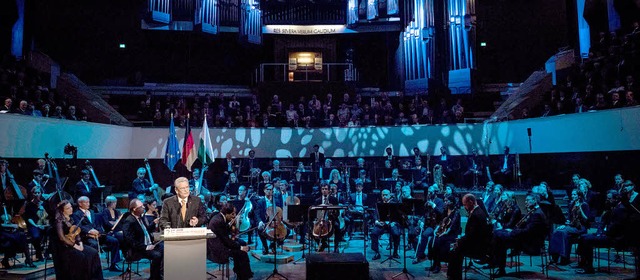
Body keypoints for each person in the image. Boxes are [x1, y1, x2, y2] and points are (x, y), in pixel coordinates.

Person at [490, 193, 547, 277]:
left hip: (529, 242)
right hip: (524, 236)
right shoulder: (534, 211)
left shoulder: (537, 214)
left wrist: (512, 232)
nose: (525, 202)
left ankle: (495, 262)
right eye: (526, 200)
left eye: (528, 200)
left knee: (499, 237)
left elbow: (528, 231)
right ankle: (496, 263)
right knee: (498, 235)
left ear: (534, 201)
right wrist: (512, 230)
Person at [576, 190, 626, 274]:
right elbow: (602, 223)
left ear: (616, 199)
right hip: (606, 234)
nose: (607, 200)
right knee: (583, 236)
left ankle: (589, 268)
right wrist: (599, 232)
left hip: (614, 237)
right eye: (607, 198)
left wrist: (603, 233)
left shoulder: (620, 209)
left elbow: (617, 227)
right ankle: (583, 263)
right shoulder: (610, 209)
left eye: (610, 199)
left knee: (587, 240)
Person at [52, 200, 103, 279]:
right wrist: (75, 245)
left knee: (93, 252)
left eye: (71, 207)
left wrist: (80, 244)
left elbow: (76, 233)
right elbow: (62, 238)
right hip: (64, 247)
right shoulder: (59, 221)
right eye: (68, 208)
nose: (71, 209)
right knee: (81, 256)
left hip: (75, 243)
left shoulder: (71, 219)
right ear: (62, 210)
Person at [447, 194, 492, 279]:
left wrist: (459, 241)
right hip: (476, 242)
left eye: (465, 205)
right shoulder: (478, 211)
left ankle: (454, 277)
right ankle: (452, 276)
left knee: (455, 251)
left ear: (471, 202)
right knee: (455, 249)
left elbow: (472, 236)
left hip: (478, 247)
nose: (464, 207)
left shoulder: (476, 215)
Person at [71, 196, 121, 271]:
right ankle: (94, 266)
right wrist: (90, 231)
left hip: (98, 235)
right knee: (93, 244)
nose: (88, 204)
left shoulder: (91, 212)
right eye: (86, 202)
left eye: (89, 202)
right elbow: (79, 226)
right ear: (80, 203)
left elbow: (97, 225)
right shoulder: (76, 214)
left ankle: (113, 264)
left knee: (114, 241)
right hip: (87, 236)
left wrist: (99, 232)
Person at [207, 204, 254, 280]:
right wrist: (240, 248)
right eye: (232, 214)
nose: (234, 216)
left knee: (242, 243)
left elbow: (225, 235)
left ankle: (241, 273)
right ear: (226, 213)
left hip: (221, 242)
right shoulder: (219, 221)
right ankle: (243, 276)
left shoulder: (221, 217)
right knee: (241, 253)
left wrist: (232, 227)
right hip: (217, 249)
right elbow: (226, 240)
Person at [121, 199, 164, 280]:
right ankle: (154, 278)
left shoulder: (141, 217)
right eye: (141, 207)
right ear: (134, 209)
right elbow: (130, 240)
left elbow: (146, 231)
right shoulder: (129, 221)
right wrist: (145, 247)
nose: (143, 207)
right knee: (157, 255)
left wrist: (154, 223)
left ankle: (158, 275)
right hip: (136, 249)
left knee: (163, 248)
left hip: (147, 244)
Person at [549, 188, 590, 265]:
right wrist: (565, 224)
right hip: (571, 226)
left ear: (579, 196)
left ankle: (564, 257)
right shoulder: (572, 204)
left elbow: (586, 219)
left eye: (574, 194)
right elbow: (569, 218)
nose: (572, 196)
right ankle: (555, 257)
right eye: (572, 194)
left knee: (563, 232)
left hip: (580, 227)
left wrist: (580, 208)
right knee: (557, 231)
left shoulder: (584, 205)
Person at [428, 195, 461, 273]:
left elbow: (451, 227)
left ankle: (438, 265)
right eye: (445, 201)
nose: (445, 202)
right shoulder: (445, 211)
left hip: (451, 234)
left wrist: (443, 234)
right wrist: (436, 230)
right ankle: (434, 263)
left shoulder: (456, 213)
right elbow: (441, 222)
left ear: (451, 202)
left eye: (446, 201)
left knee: (438, 242)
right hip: (444, 232)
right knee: (432, 241)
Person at [370, 189, 401, 260]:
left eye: (386, 195)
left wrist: (394, 222)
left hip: (392, 224)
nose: (384, 196)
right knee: (373, 233)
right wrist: (377, 221)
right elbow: (374, 214)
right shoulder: (378, 204)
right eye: (383, 195)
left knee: (396, 234)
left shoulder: (394, 204)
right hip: (381, 224)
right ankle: (377, 252)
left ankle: (395, 252)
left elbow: (398, 216)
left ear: (390, 195)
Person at [312, 182, 342, 253]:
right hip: (320, 219)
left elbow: (337, 213)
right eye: (322, 189)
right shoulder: (317, 200)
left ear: (329, 190)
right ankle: (323, 243)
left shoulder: (333, 200)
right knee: (311, 229)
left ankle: (336, 246)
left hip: (331, 219)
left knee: (337, 227)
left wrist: (332, 211)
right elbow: (314, 213)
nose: (324, 190)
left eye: (326, 189)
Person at [23, 186, 47, 261]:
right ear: (32, 194)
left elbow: (47, 216)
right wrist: (37, 225)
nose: (37, 194)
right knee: (36, 236)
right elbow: (29, 218)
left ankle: (48, 252)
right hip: (34, 224)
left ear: (41, 193)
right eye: (35, 193)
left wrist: (43, 209)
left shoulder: (44, 204)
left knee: (53, 232)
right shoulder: (29, 205)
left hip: (44, 223)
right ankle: (39, 252)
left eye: (38, 192)